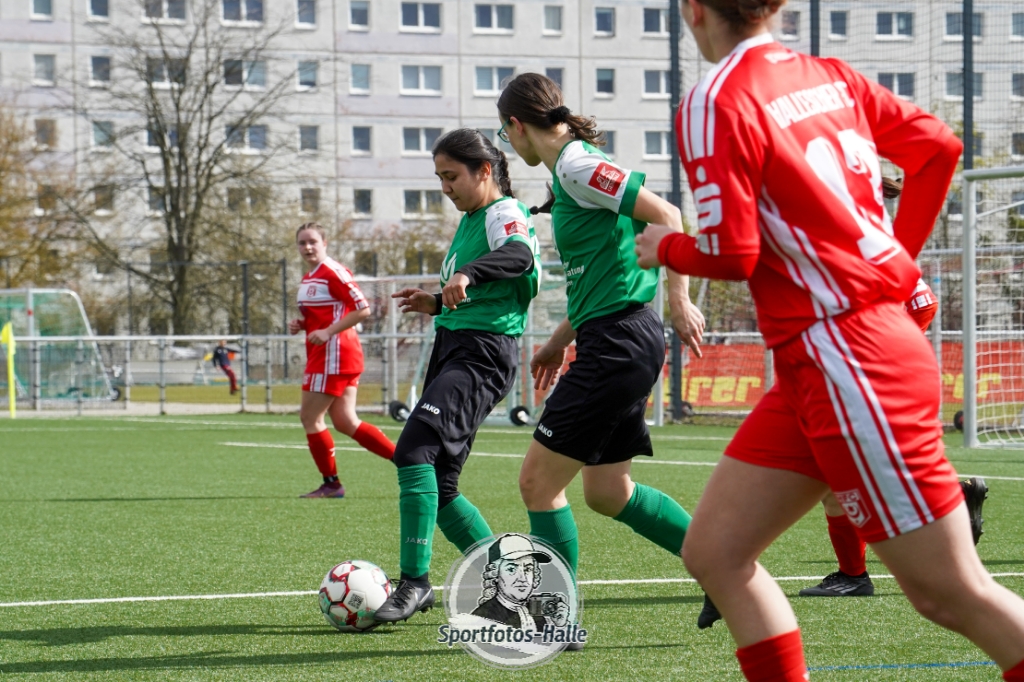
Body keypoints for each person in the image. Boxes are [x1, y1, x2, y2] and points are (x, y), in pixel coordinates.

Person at [633, 2, 1024, 680]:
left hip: (848, 361)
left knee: (950, 591)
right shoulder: (830, 76)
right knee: (716, 552)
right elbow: (938, 148)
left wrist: (665, 246)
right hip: (828, 358)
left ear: (693, 10)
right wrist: (895, 257)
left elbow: (733, 253)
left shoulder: (714, 97)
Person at [494, 73, 707, 624]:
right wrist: (555, 344)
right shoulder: (571, 172)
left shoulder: (575, 165)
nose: (509, 145)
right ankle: (719, 567)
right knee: (608, 492)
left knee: (537, 484)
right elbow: (602, 281)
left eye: (504, 134)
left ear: (517, 125)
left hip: (619, 342)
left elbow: (668, 216)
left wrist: (679, 299)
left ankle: (554, 619)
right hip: (615, 338)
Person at [374, 129, 540, 622]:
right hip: (456, 348)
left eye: (451, 176)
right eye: (439, 178)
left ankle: (415, 582)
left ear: (484, 170)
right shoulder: (472, 220)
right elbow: (477, 292)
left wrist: (468, 274)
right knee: (442, 487)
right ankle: (516, 595)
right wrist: (436, 302)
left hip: (481, 354)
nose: (445, 187)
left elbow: (519, 256)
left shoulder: (503, 211)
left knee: (413, 451)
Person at [797, 180, 989, 600]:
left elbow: (920, 302)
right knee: (839, 479)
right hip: (868, 369)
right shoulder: (862, 232)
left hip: (866, 372)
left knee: (842, 475)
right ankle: (854, 574)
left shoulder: (854, 236)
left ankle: (945, 509)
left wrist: (878, 346)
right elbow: (920, 301)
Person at [288, 223, 396, 499]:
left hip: (333, 355)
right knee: (346, 422)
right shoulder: (310, 277)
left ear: (324, 243)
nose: (307, 247)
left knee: (310, 417)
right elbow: (328, 314)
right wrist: (304, 324)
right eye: (302, 243)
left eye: (312, 241)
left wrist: (327, 332)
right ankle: (409, 462)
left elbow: (363, 309)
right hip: (332, 354)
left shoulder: (333, 271)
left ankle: (332, 484)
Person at [472, 533, 570, 631]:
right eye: (511, 569)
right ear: (495, 574)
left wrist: (560, 625)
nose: (523, 578)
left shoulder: (536, 611)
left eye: (528, 569)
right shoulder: (484, 617)